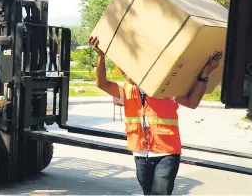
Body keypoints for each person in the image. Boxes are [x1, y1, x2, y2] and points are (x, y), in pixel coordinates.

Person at [88, 35, 223, 195]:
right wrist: (101, 56)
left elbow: (192, 102)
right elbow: (101, 83)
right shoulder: (126, 90)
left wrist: (205, 74)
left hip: (166, 153)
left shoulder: (165, 89)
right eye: (122, 70)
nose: (124, 73)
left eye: (127, 69)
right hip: (141, 153)